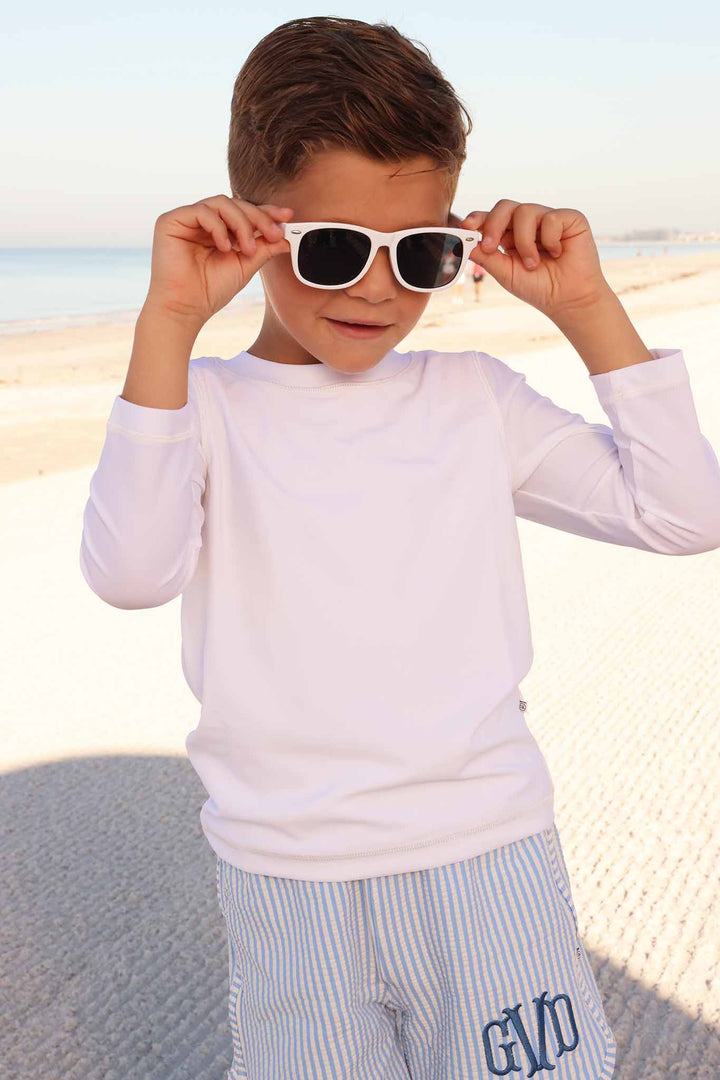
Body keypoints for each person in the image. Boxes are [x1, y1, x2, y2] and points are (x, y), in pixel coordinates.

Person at [79, 16, 720, 1080]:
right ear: (253, 225)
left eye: (423, 254)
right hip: (289, 879)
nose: (379, 290)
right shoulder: (204, 410)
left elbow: (686, 513)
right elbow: (131, 573)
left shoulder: (474, 400)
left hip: (488, 860)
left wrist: (591, 308)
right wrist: (168, 323)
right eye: (334, 250)